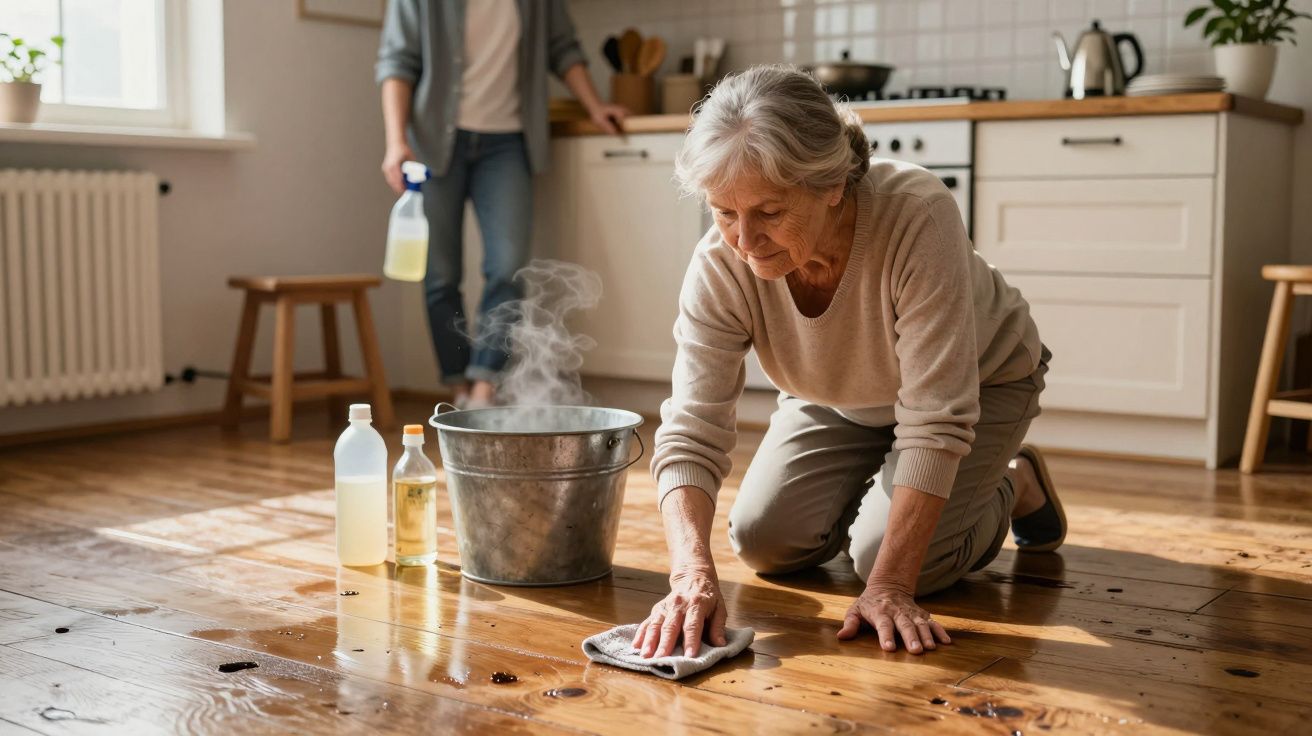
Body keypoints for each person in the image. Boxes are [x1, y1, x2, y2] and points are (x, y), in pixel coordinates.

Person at [639, 65, 1067, 659]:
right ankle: (888, 493)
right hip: (839, 394)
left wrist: (890, 585)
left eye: (769, 212)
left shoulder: (916, 214)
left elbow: (936, 417)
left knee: (880, 561)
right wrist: (688, 575)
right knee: (765, 543)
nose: (745, 240)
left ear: (832, 185)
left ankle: (1012, 482)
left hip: (980, 382)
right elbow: (690, 429)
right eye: (724, 212)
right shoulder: (721, 260)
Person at [376, 0, 626, 407]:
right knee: (439, 275)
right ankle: (457, 388)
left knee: (508, 267)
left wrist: (595, 106)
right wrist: (395, 141)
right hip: (436, 143)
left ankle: (483, 387)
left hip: (508, 143)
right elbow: (397, 62)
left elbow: (562, 48)